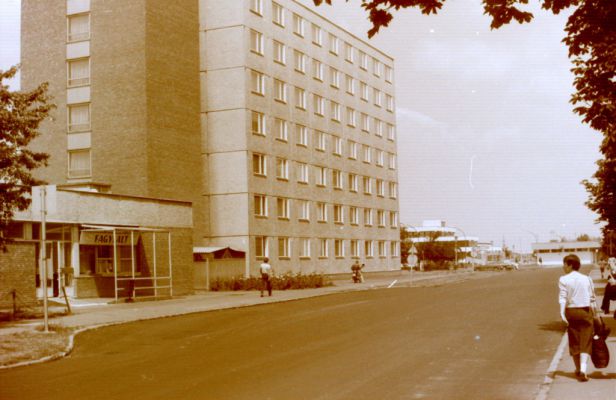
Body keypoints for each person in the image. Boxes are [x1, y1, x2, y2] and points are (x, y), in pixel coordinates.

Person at [559, 254, 597, 382]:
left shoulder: (563, 279)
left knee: (574, 340)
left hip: (571, 311)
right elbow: (592, 298)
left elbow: (563, 297)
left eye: (564, 264)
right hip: (586, 311)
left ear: (570, 265)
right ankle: (583, 369)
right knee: (586, 341)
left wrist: (562, 312)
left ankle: (577, 369)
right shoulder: (587, 279)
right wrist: (595, 313)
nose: (563, 267)